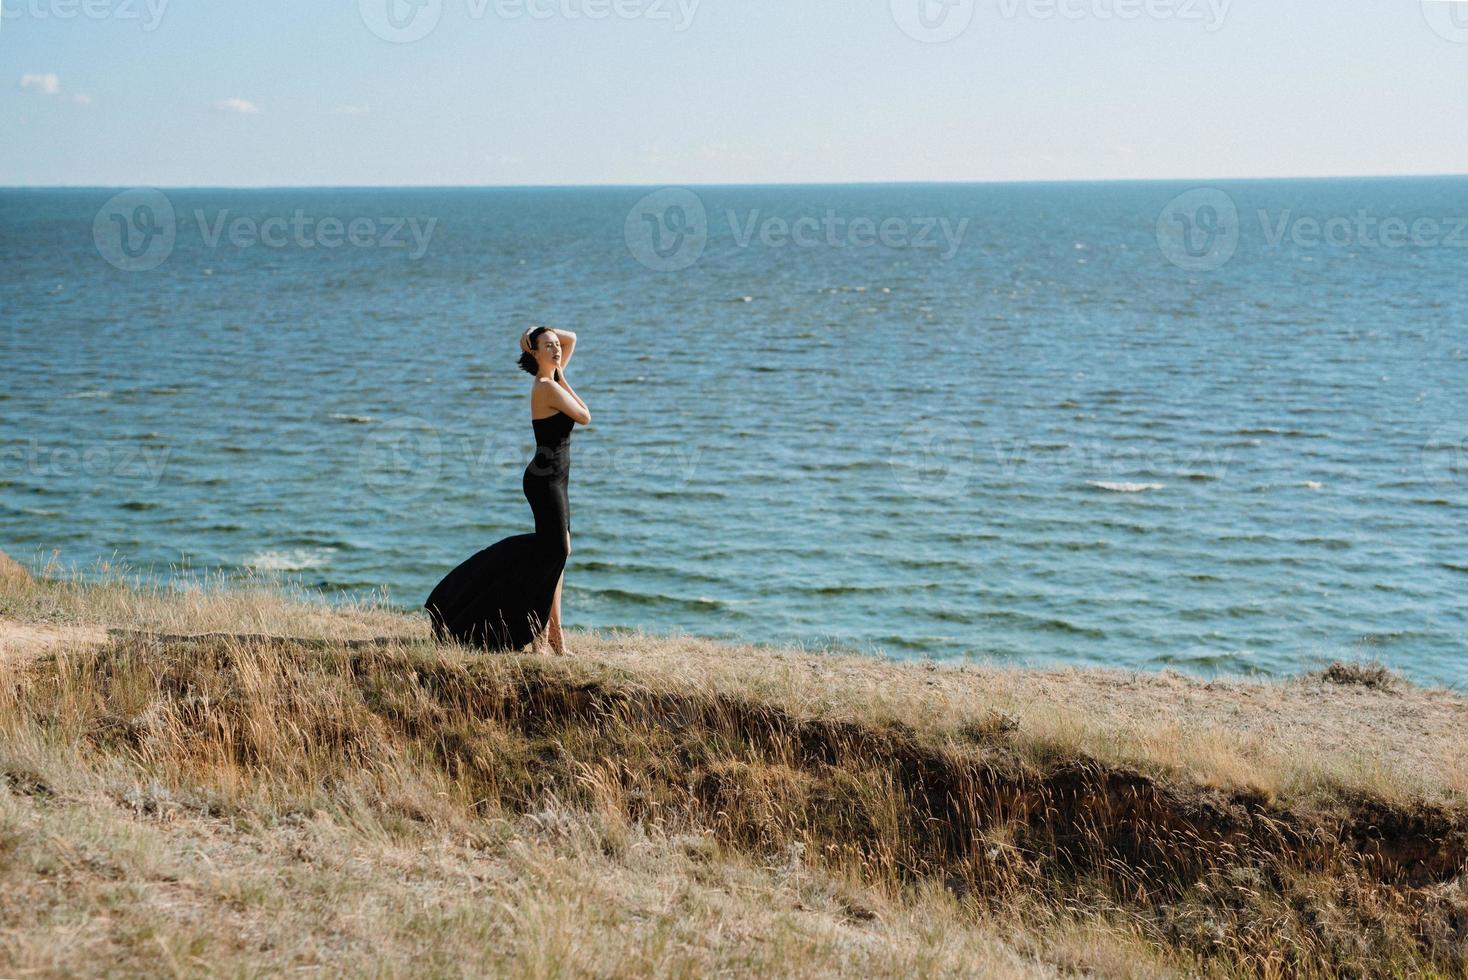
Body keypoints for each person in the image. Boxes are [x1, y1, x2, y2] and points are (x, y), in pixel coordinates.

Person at [424, 326, 590, 654]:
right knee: (555, 551)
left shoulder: (552, 374)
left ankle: (554, 639)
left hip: (557, 478)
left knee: (557, 555)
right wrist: (561, 377)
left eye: (557, 346)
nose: (558, 350)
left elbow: (572, 338)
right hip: (543, 481)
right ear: (535, 354)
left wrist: (534, 332)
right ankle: (539, 636)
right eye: (548, 347)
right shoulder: (546, 386)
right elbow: (585, 416)